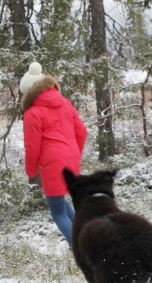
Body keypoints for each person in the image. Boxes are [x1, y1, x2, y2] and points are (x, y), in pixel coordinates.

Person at [20, 62, 87, 247]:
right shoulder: (65, 103)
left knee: (57, 211)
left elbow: (32, 147)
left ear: (28, 92)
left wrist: (31, 171)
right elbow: (82, 131)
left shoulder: (32, 113)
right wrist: (74, 153)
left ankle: (82, 251)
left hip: (52, 162)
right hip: (71, 159)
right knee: (60, 201)